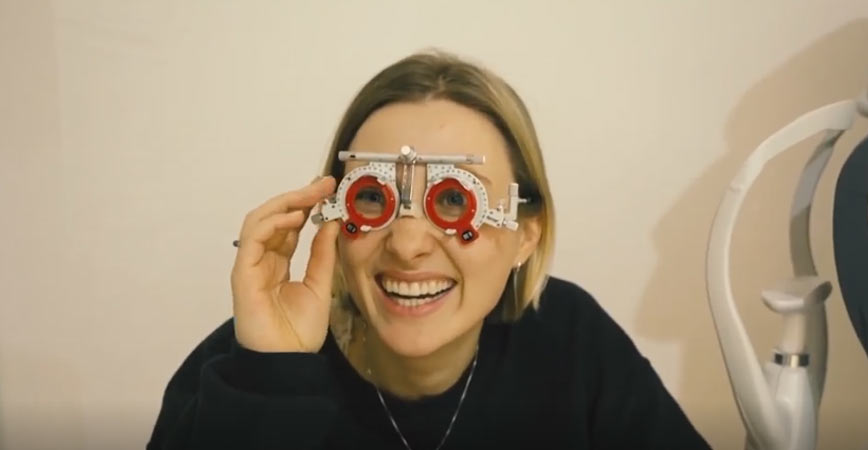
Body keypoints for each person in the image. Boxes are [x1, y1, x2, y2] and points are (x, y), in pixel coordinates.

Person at [147, 51, 710, 450]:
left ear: (526, 234)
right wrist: (272, 379)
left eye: (453, 199)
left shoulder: (572, 342)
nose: (409, 245)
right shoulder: (246, 364)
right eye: (373, 197)